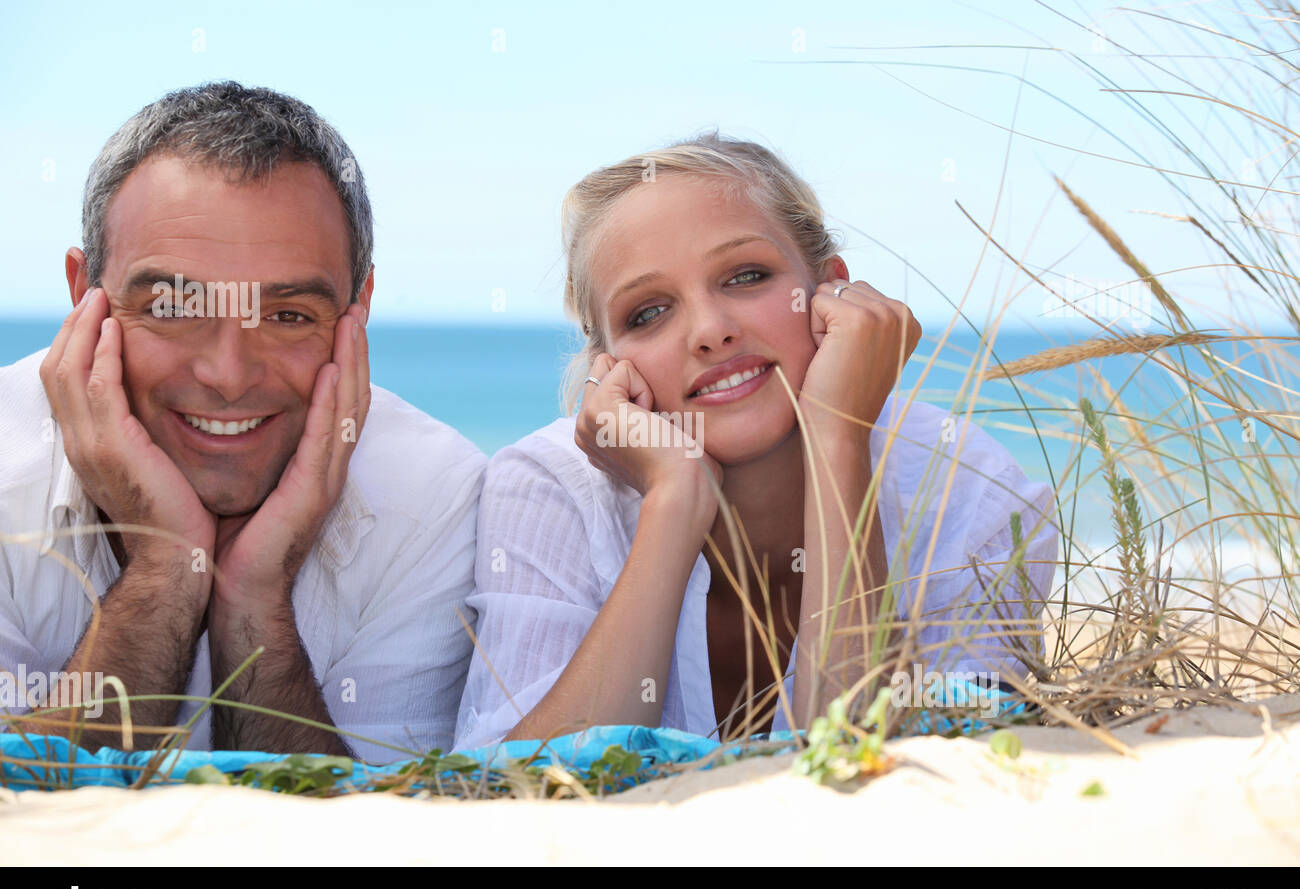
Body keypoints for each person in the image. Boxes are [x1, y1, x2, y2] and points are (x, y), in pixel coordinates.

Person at [454, 132, 1057, 751]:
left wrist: (840, 440)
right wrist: (673, 502)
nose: (712, 331)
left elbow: (873, 779)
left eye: (746, 276)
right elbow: (517, 796)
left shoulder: (966, 489)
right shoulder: (549, 486)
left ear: (833, 292)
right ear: (606, 367)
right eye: (648, 313)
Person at [0, 82, 485, 764]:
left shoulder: (434, 496)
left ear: (360, 305)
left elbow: (371, 835)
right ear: (84, 296)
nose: (228, 375)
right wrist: (165, 569)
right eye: (172, 307)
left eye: (288, 316)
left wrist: (253, 598)